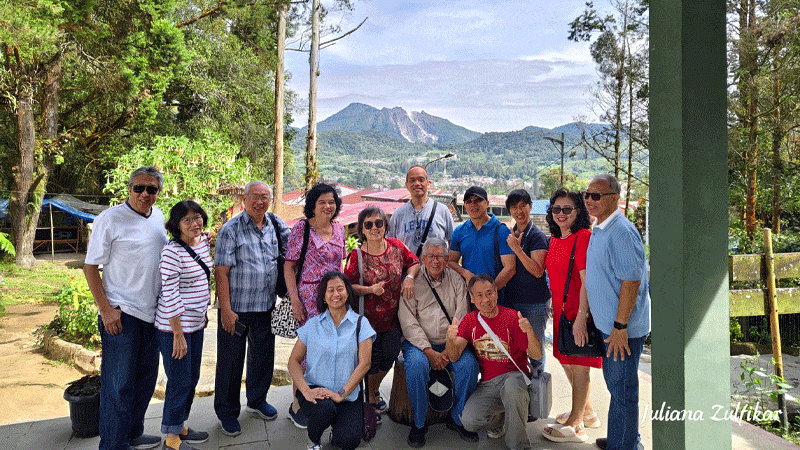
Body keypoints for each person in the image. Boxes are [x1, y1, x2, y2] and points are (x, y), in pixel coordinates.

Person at [83, 166, 167, 450]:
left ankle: (133, 432)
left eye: (151, 189)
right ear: (129, 189)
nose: (145, 193)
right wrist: (105, 310)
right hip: (122, 313)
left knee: (145, 379)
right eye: (139, 188)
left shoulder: (158, 216)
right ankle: (113, 444)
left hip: (152, 314)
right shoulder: (110, 219)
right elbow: (90, 267)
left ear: (158, 192)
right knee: (118, 386)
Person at [213, 180, 290, 436]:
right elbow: (221, 272)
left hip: (266, 306)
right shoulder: (230, 229)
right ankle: (227, 413)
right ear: (244, 199)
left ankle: (257, 401)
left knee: (263, 357)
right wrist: (225, 309)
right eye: (255, 196)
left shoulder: (276, 226)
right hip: (237, 309)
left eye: (265, 197)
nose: (260, 201)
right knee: (230, 363)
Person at [583, 174, 650, 450]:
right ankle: (623, 438)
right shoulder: (601, 227)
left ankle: (624, 446)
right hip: (610, 328)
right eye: (586, 195)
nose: (589, 200)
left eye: (596, 196)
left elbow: (631, 282)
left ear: (614, 199)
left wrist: (620, 327)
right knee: (617, 388)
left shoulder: (621, 231)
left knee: (622, 391)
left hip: (621, 331)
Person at [398, 238, 480, 447]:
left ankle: (457, 417)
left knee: (469, 366)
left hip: (451, 342)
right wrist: (428, 351)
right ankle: (419, 423)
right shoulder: (412, 282)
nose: (435, 261)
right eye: (431, 256)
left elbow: (462, 317)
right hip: (419, 343)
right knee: (416, 366)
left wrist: (446, 350)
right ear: (423, 258)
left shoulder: (456, 280)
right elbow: (408, 321)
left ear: (447, 258)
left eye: (440, 256)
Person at [445, 274, 542, 450]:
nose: (486, 299)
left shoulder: (512, 317)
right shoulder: (469, 320)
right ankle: (507, 417)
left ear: (496, 293)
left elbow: (536, 354)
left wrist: (529, 332)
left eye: (489, 293)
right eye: (480, 295)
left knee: (512, 387)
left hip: (515, 378)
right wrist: (450, 340)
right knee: (469, 421)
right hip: (489, 383)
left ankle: (519, 445)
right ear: (472, 299)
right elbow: (454, 356)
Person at [344, 206, 420, 414]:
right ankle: (370, 398)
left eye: (379, 223)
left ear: (386, 226)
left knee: (391, 354)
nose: (374, 228)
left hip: (393, 318)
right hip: (367, 320)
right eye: (369, 225)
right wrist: (369, 289)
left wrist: (410, 278)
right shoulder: (357, 255)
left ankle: (372, 391)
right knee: (370, 361)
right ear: (362, 230)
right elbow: (347, 286)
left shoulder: (396, 247)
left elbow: (414, 262)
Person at [288, 271, 375, 450]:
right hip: (316, 391)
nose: (336, 294)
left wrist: (342, 393)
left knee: (348, 441)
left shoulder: (361, 323)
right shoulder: (312, 325)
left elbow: (365, 364)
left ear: (348, 293)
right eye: (330, 290)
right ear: (324, 297)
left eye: (340, 289)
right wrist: (305, 391)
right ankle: (313, 440)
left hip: (347, 393)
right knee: (325, 409)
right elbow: (293, 361)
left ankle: (336, 427)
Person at [541, 188, 601, 443]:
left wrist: (581, 317)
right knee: (565, 359)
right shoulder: (555, 239)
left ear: (579, 211)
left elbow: (587, 281)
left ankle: (576, 425)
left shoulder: (583, 237)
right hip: (562, 312)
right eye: (557, 209)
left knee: (580, 367)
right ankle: (586, 411)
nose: (561, 214)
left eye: (567, 209)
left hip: (579, 313)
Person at [284, 182, 347, 427]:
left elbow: (339, 266)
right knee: (305, 352)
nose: (327, 206)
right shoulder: (302, 229)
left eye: (331, 201)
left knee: (330, 349)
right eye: (322, 202)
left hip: (334, 299)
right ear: (313, 205)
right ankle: (298, 403)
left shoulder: (340, 229)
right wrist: (295, 300)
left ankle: (324, 400)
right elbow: (289, 267)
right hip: (309, 299)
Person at [156, 201, 212, 450]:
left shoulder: (203, 244)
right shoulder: (171, 252)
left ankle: (179, 425)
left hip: (196, 324)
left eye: (197, 217)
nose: (194, 223)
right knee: (179, 380)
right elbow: (170, 292)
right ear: (176, 224)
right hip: (173, 329)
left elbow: (202, 279)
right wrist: (177, 333)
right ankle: (171, 438)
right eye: (187, 220)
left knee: (192, 378)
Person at [504, 189, 550, 370]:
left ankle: (540, 390)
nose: (519, 211)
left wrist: (517, 250)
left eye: (523, 206)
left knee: (535, 348)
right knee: (515, 347)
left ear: (530, 206)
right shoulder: (511, 233)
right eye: (514, 207)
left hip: (534, 303)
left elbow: (538, 271)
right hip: (512, 300)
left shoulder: (537, 236)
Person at [448, 186, 516, 306]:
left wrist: (489, 293)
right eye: (469, 201)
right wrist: (465, 273)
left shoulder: (501, 230)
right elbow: (450, 261)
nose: (473, 204)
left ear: (487, 203)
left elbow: (510, 268)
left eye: (477, 200)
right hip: (469, 298)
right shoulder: (459, 232)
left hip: (496, 300)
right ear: (464, 206)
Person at [387, 165, 455, 257]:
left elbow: (453, 244)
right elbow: (390, 246)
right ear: (406, 185)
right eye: (412, 180)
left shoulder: (442, 211)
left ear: (428, 183)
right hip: (408, 271)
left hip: (436, 269)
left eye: (421, 179)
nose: (417, 183)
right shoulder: (398, 215)